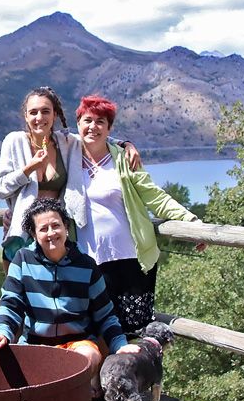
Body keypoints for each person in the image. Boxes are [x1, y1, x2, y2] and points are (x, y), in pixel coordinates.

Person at [68, 95, 206, 335]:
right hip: (89, 260)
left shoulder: (123, 159)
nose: (93, 127)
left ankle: (131, 374)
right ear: (78, 124)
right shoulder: (68, 158)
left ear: (109, 128)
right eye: (87, 120)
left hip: (129, 259)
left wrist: (191, 221)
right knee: (96, 333)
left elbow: (155, 196)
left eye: (101, 121)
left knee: (133, 333)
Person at [0, 198, 140, 392]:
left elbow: (105, 314)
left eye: (56, 226)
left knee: (89, 357)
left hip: (79, 342)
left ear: (66, 227)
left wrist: (120, 345)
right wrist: (2, 333)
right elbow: (10, 303)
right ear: (33, 234)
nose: (51, 233)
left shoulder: (86, 265)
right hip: (36, 344)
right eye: (43, 229)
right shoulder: (22, 260)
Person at [0, 86, 141, 262]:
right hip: (23, 234)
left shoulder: (66, 142)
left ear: (54, 115)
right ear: (26, 116)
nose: (39, 117)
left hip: (56, 237)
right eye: (33, 112)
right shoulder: (14, 141)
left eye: (45, 111)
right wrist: (29, 169)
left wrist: (126, 144)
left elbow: (94, 135)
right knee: (19, 288)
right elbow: (1, 188)